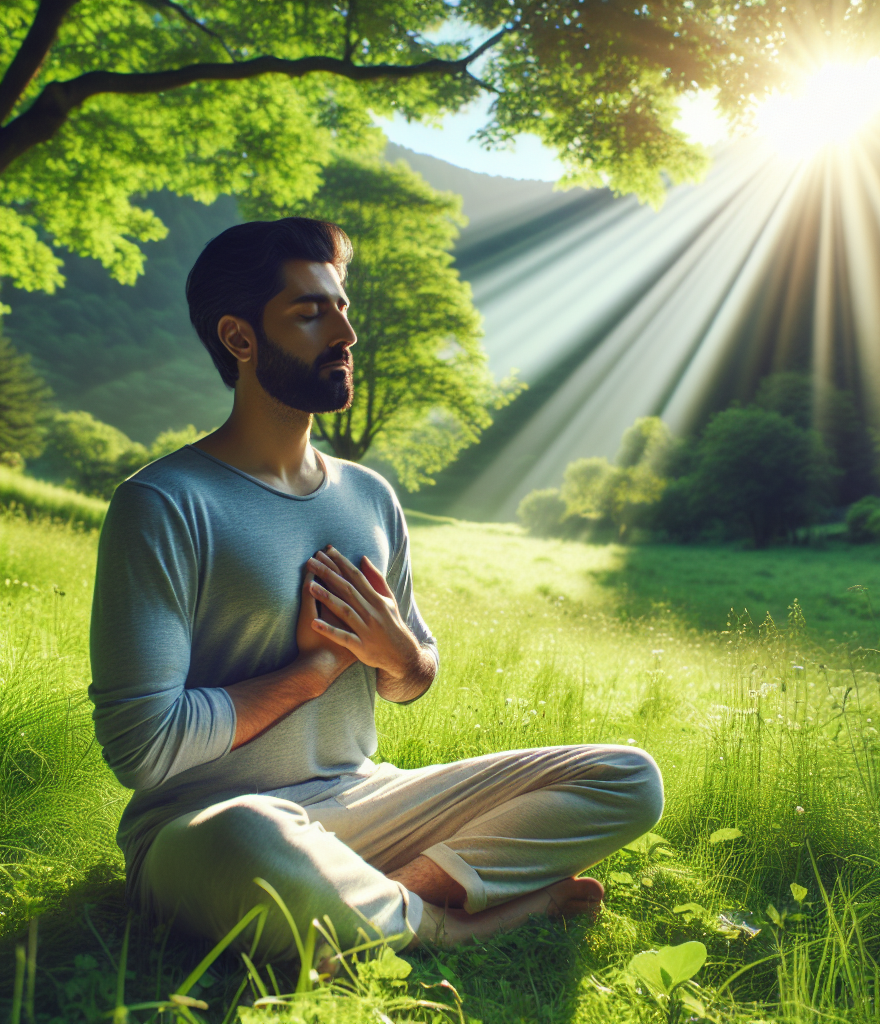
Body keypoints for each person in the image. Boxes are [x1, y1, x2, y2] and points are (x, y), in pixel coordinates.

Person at [88, 217, 664, 961]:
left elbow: (411, 673)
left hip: (363, 800)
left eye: (342, 305)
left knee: (627, 779)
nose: (345, 333)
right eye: (309, 311)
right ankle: (464, 924)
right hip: (207, 825)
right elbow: (143, 749)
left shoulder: (369, 497)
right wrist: (315, 672)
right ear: (239, 339)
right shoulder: (163, 505)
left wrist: (401, 658)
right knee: (251, 837)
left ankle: (378, 895)